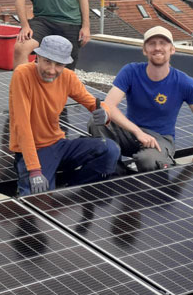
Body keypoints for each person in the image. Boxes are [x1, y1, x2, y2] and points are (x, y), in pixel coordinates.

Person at [9, 34, 120, 195]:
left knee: (110, 149)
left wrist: (105, 113)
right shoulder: (22, 74)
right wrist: (34, 170)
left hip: (58, 145)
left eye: (59, 64)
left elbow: (92, 102)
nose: (52, 70)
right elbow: (22, 125)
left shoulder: (68, 77)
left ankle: (71, 188)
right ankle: (44, 189)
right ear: (38, 57)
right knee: (36, 198)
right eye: (47, 61)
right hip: (34, 151)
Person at [88, 26, 193, 171]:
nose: (157, 48)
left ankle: (159, 160)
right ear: (145, 50)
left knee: (147, 161)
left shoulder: (184, 82)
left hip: (161, 138)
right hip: (130, 133)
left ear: (172, 49)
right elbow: (109, 106)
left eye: (163, 43)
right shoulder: (131, 71)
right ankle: (115, 169)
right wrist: (137, 132)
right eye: (152, 43)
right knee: (97, 121)